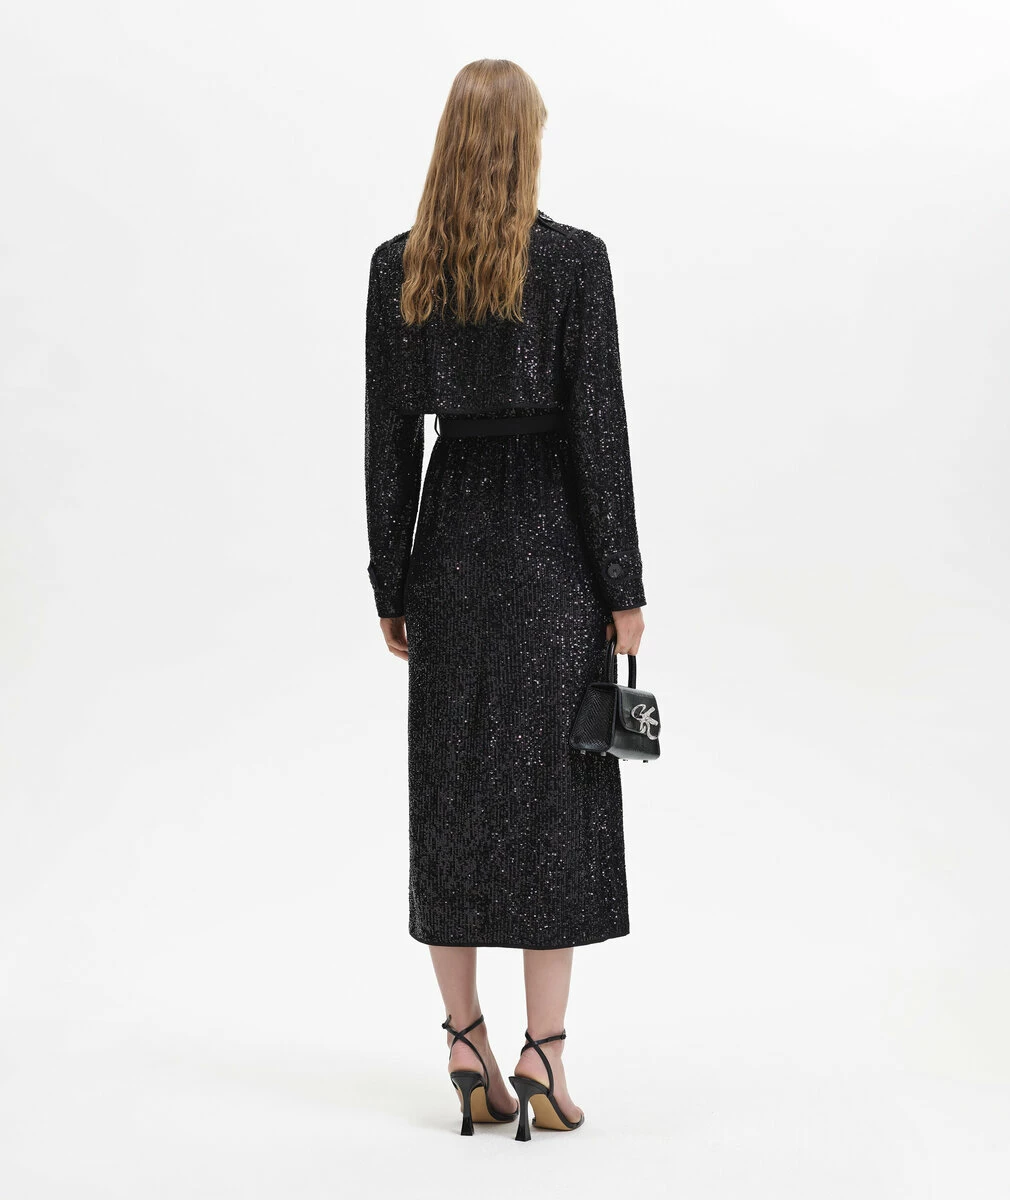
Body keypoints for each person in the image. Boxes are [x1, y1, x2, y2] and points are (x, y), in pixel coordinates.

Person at [363, 58, 649, 1141]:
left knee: (453, 790)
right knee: (555, 799)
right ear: (527, 140)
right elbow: (598, 432)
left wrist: (392, 578)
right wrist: (622, 585)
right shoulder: (574, 261)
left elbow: (388, 440)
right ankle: (544, 1055)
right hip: (552, 550)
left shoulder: (400, 268)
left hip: (450, 548)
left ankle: (463, 1039)